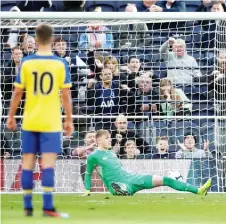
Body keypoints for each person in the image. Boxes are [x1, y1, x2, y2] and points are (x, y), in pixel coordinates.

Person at [6, 24, 74, 217]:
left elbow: (17, 92)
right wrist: (69, 120)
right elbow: (66, 95)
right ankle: (48, 207)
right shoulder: (60, 64)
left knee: (28, 162)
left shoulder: (27, 63)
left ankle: (27, 208)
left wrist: (11, 117)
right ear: (52, 40)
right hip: (51, 122)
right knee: (48, 165)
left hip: (30, 120)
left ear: (35, 40)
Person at [82, 130, 212, 196]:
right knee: (120, 186)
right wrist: (87, 190)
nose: (110, 140)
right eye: (107, 138)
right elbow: (88, 174)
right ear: (99, 140)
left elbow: (118, 169)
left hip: (130, 178)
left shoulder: (111, 153)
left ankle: (199, 191)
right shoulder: (93, 156)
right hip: (115, 184)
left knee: (165, 179)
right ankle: (121, 190)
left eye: (110, 138)